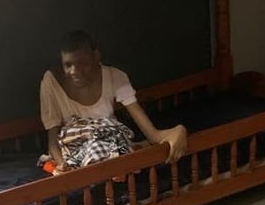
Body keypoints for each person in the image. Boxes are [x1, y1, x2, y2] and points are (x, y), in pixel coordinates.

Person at [40, 30, 188, 173]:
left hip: (110, 147)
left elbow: (152, 135)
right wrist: (63, 167)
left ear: (96, 56)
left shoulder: (115, 77)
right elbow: (53, 142)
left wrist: (179, 130)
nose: (74, 71)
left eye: (82, 63)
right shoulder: (51, 82)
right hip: (76, 153)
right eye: (68, 65)